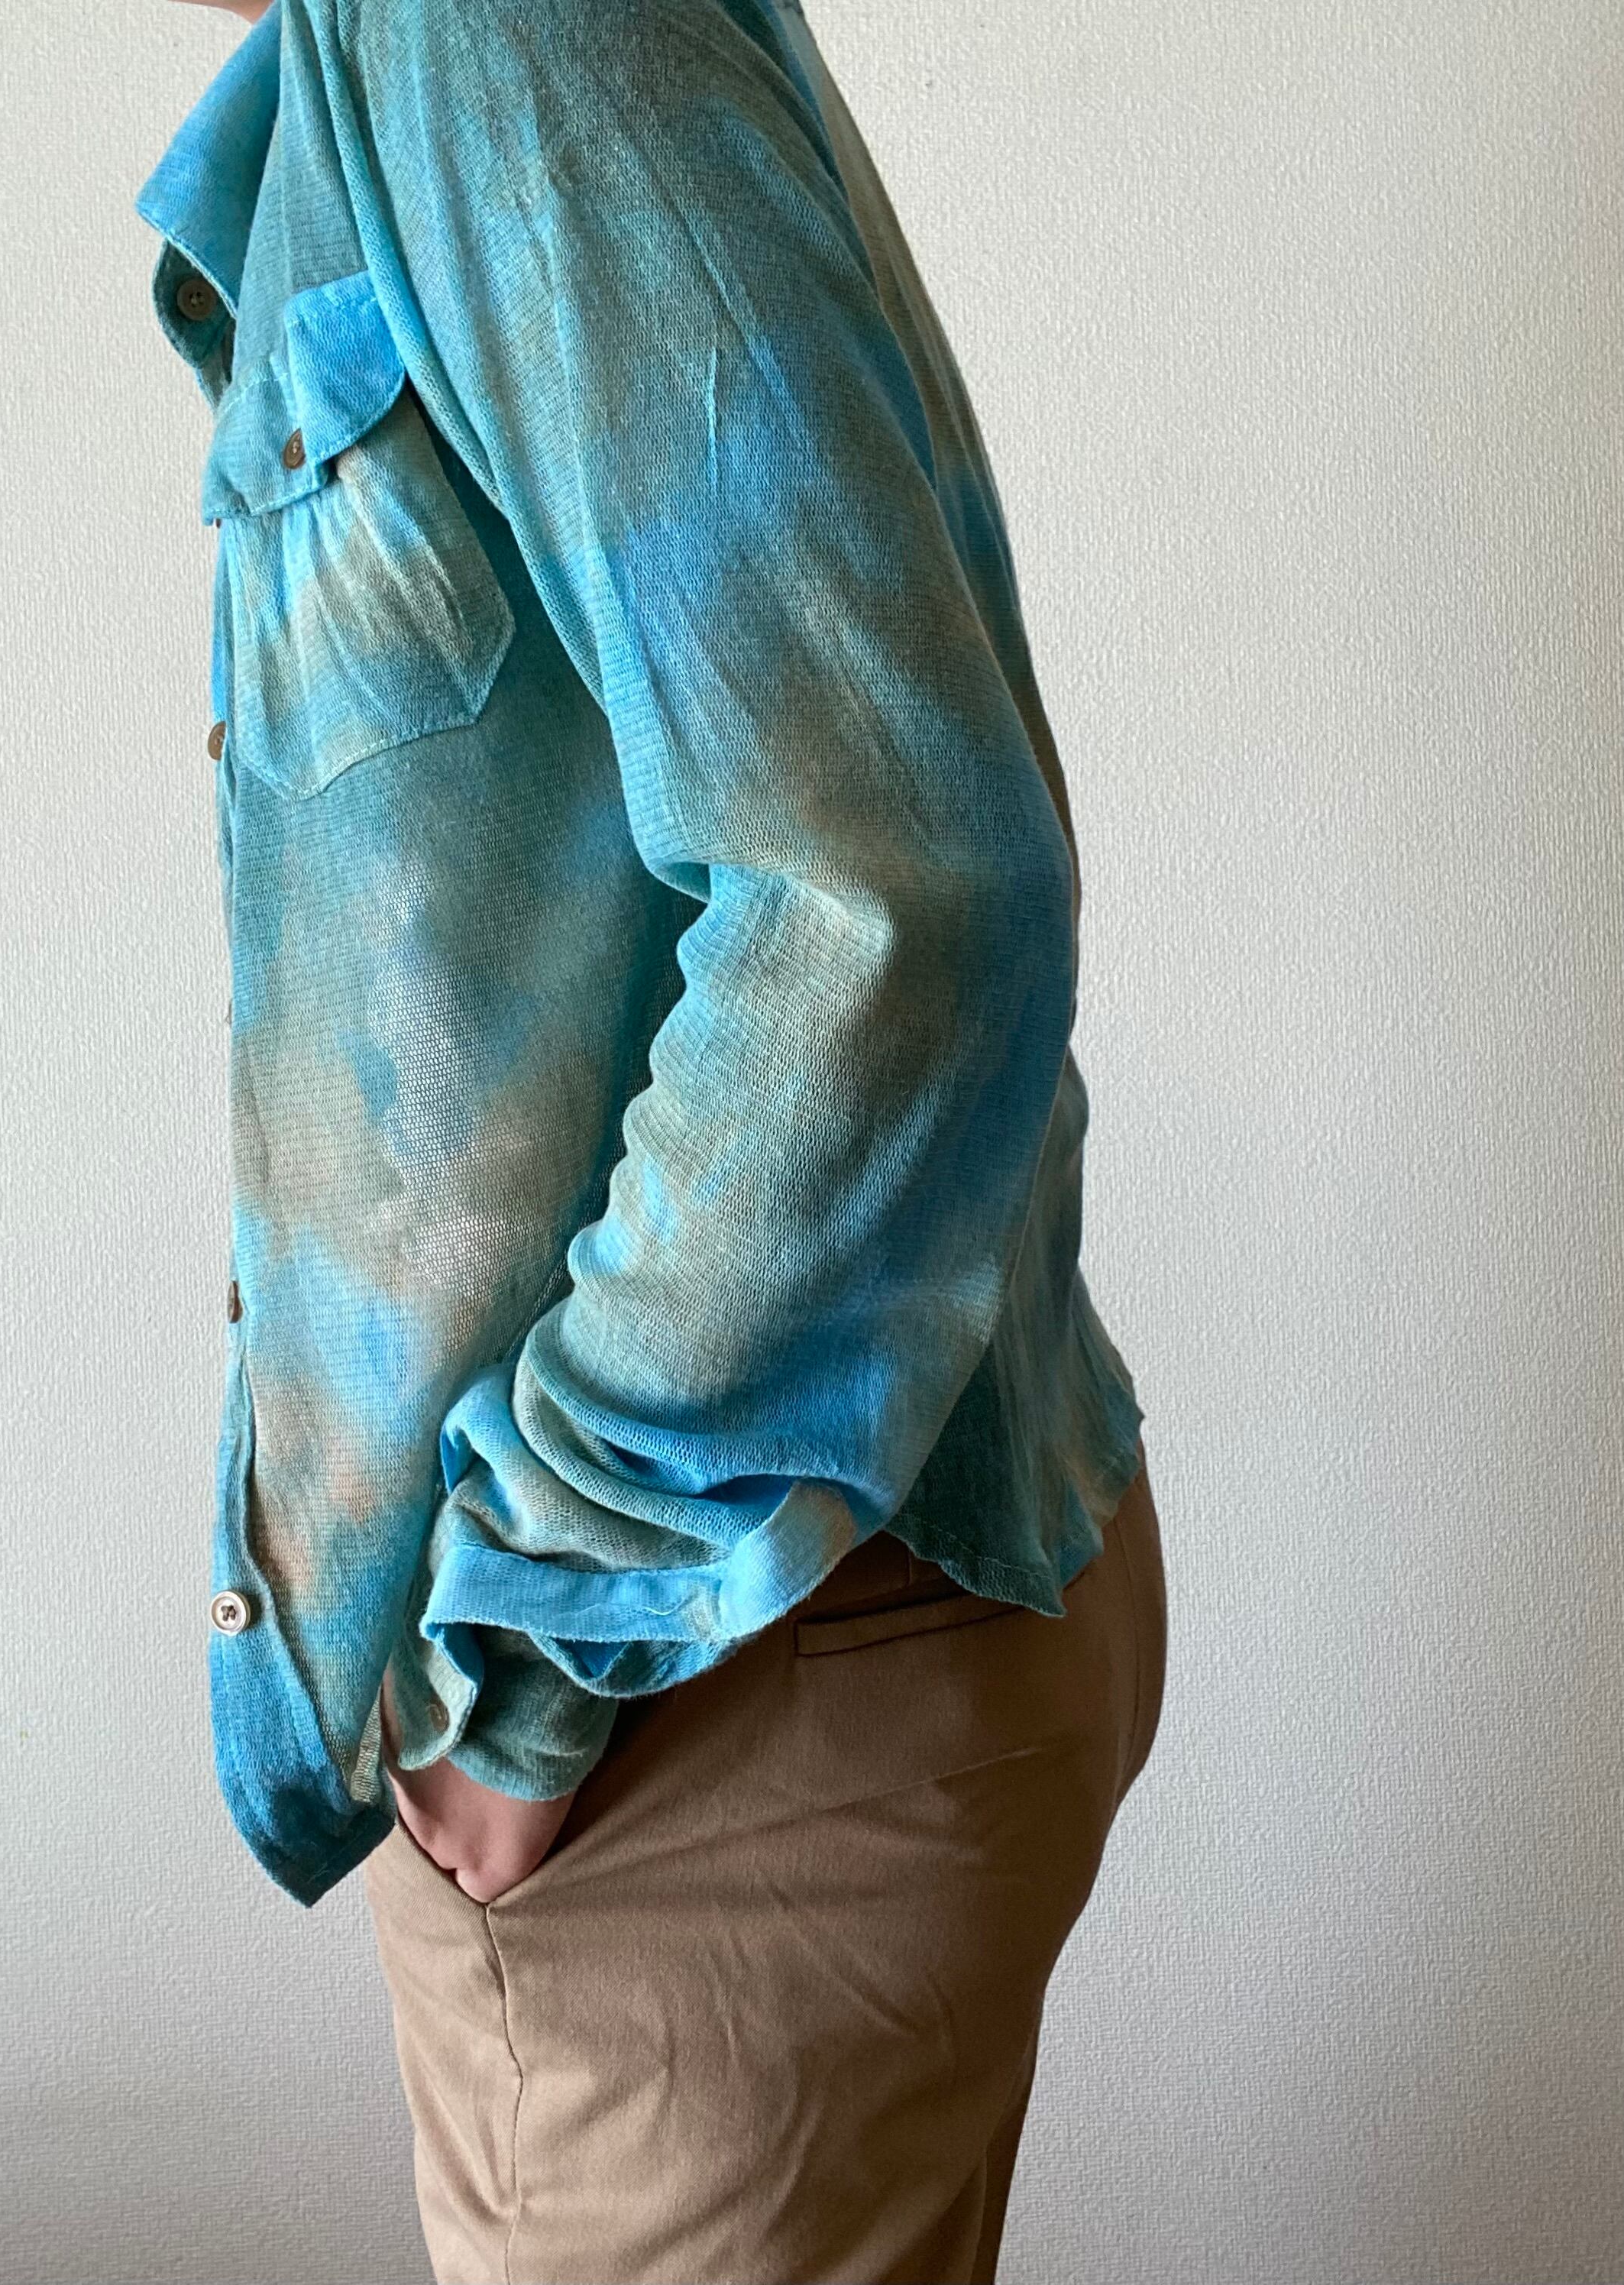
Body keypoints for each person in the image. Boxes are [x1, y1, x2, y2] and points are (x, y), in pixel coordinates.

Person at [141, 0, 1169, 2276]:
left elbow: (889, 904)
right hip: (764, 1658)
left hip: (697, 1709)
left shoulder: (493, 27)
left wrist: (526, 1652)